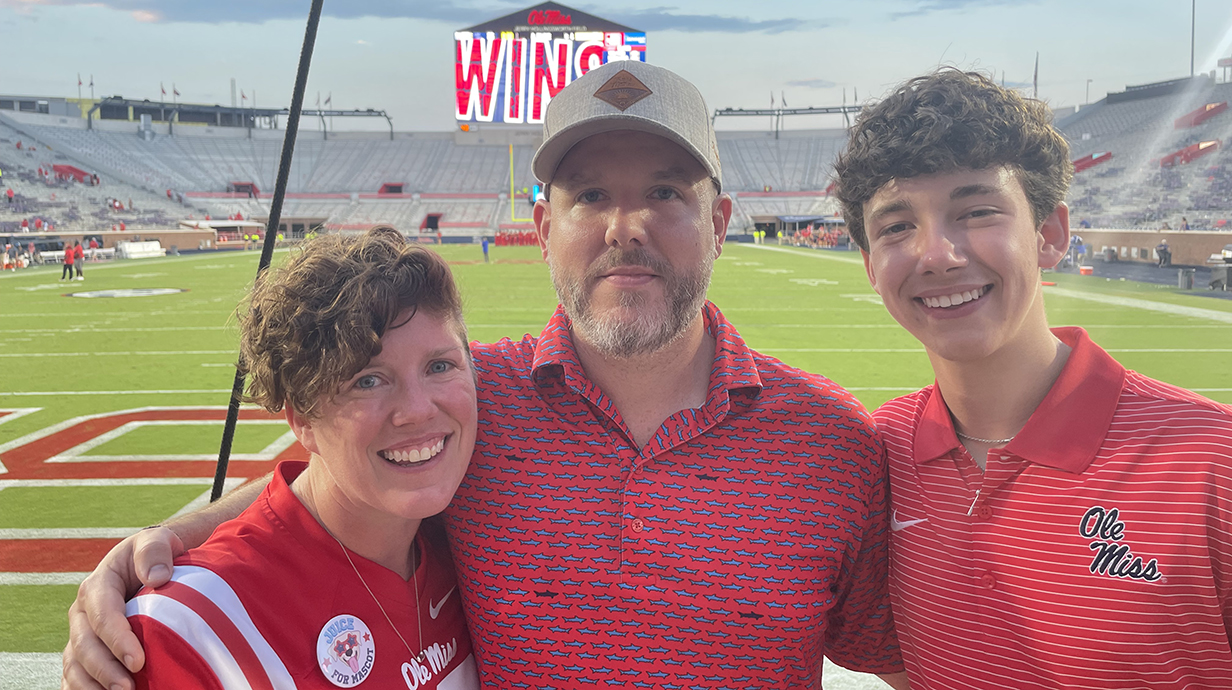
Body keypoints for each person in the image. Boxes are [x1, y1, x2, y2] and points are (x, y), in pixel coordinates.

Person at [64, 60, 907, 690]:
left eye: (665, 193)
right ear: (544, 227)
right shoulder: (476, 404)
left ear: (719, 221)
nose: (626, 227)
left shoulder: (831, 440)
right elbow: (339, 469)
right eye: (587, 196)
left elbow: (904, 659)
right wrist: (167, 544)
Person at [834, 68, 1232, 688]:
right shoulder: (872, 454)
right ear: (869, 264)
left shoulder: (1212, 460)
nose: (936, 254)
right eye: (896, 227)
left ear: (1049, 234)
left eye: (976, 211)